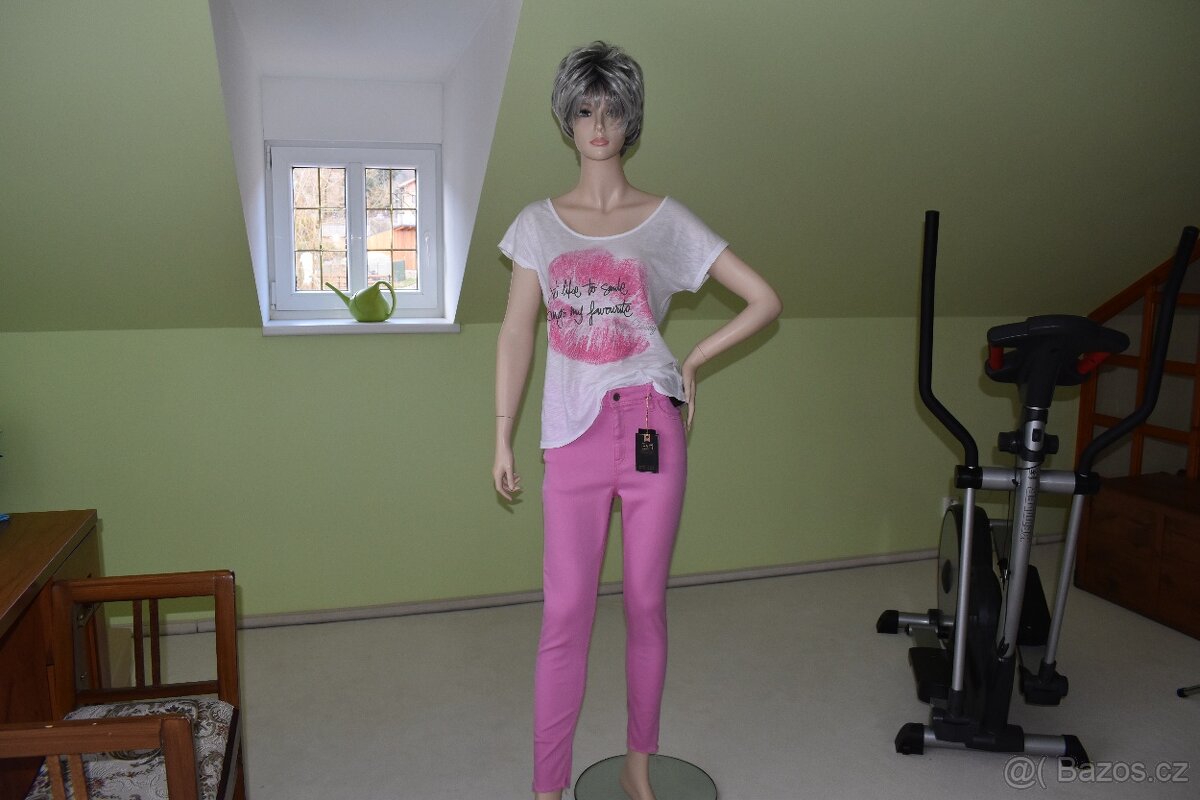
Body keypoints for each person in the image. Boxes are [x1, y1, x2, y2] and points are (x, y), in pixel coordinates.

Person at [493, 41, 782, 800]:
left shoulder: (664, 219)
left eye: (613, 111)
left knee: (647, 605)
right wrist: (502, 431)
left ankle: (637, 766)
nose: (599, 126)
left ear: (631, 121)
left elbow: (763, 299)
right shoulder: (537, 224)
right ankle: (547, 788)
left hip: (653, 422)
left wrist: (694, 360)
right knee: (565, 615)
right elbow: (517, 331)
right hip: (572, 436)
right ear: (567, 118)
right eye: (586, 110)